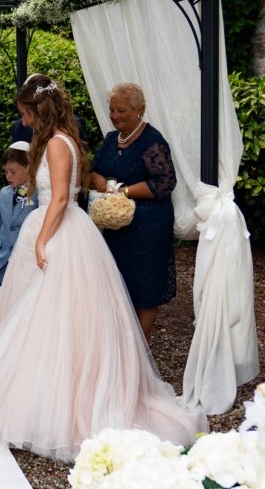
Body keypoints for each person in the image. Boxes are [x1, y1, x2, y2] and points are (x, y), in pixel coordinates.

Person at [0, 74, 208, 463]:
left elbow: (63, 197)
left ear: (38, 110)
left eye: (25, 114)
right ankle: (28, 394)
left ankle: (56, 404)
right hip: (56, 227)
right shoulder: (61, 138)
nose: (24, 121)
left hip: (60, 233)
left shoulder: (56, 143)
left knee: (53, 318)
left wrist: (43, 239)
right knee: (33, 315)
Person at [89, 82, 177, 344]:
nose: (115, 116)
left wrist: (124, 192)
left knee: (145, 287)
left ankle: (141, 344)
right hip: (116, 229)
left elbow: (164, 182)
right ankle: (122, 345)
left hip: (147, 228)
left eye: (121, 111)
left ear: (140, 110)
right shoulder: (109, 139)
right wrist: (99, 180)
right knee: (119, 284)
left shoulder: (153, 142)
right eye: (112, 110)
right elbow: (94, 168)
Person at [0, 141, 38, 285]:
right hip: (2, 262)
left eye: (13, 172)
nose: (8, 176)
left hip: (27, 262)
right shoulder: (4, 193)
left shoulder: (37, 194)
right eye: (6, 171)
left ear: (28, 167)